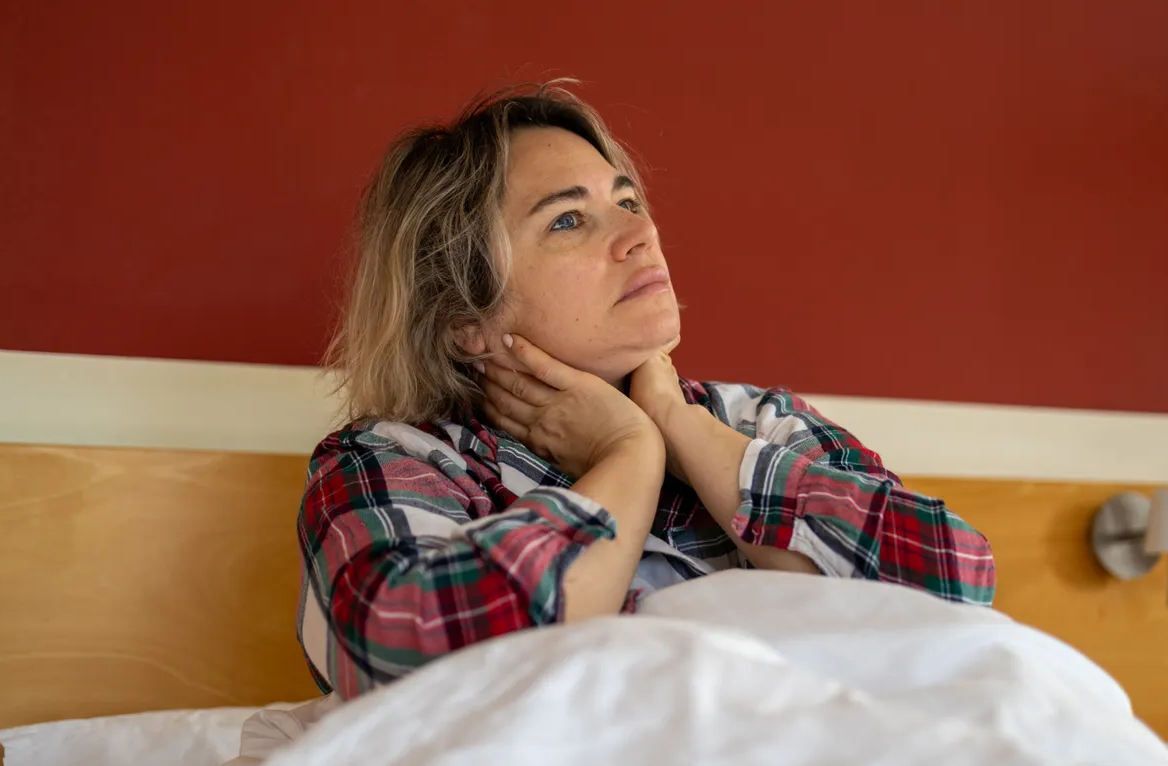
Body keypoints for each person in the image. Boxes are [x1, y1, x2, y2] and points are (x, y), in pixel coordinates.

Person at [297, 82, 995, 699]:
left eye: (627, 200)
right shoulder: (395, 461)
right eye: (568, 219)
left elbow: (954, 590)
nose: (640, 233)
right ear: (466, 322)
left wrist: (675, 422)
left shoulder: (758, 422)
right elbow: (408, 665)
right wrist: (627, 454)